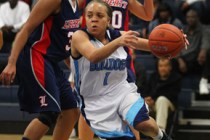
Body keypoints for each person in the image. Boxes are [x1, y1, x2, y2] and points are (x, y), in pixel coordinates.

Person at [71, 1, 173, 139]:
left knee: (140, 121)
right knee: (87, 112)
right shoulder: (80, 36)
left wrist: (171, 46)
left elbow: (149, 27)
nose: (94, 18)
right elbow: (93, 56)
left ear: (108, 20)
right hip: (92, 58)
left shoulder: (118, 34)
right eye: (90, 15)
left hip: (120, 51)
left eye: (99, 15)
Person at [0, 0, 81, 139]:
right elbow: (25, 30)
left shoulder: (75, 5)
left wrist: (77, 73)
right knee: (50, 111)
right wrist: (11, 62)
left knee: (71, 110)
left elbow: (64, 46)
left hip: (51, 61)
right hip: (35, 55)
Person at [177, 8, 210, 94]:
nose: (190, 19)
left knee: (208, 53)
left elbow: (206, 41)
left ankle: (204, 80)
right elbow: (176, 46)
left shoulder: (204, 29)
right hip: (184, 61)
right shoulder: (182, 30)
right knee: (166, 60)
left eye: (193, 17)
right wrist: (180, 60)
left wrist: (203, 51)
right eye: (188, 17)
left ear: (198, 18)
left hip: (198, 60)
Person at [144, 58, 182, 132]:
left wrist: (153, 100)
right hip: (153, 104)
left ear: (170, 67)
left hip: (169, 105)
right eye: (160, 66)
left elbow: (171, 95)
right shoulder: (153, 77)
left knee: (161, 99)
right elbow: (146, 91)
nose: (163, 68)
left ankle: (160, 132)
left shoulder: (176, 78)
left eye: (165, 66)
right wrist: (147, 99)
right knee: (139, 102)